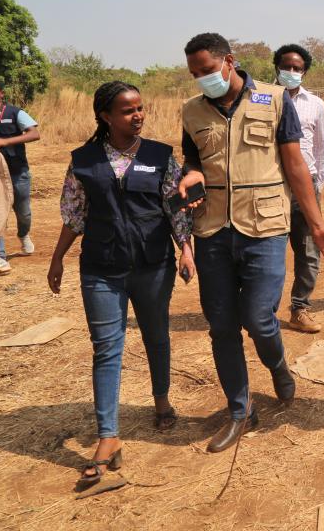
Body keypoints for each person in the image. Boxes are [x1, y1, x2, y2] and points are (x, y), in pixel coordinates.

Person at [177, 33, 324, 452]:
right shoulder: (191, 111)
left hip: (265, 227)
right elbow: (193, 158)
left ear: (229, 62)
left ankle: (278, 366)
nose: (202, 79)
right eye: (195, 74)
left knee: (259, 317)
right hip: (213, 230)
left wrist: (316, 223)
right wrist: (192, 173)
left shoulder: (274, 100)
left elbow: (295, 166)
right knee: (221, 327)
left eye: (207, 70)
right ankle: (240, 410)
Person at [46, 81, 195, 490]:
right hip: (101, 266)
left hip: (152, 265)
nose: (138, 115)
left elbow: (174, 207)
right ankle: (108, 436)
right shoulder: (83, 160)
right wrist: (57, 257)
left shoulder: (160, 156)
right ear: (105, 116)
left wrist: (186, 249)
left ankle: (161, 398)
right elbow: (74, 213)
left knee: (155, 334)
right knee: (106, 348)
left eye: (141, 108)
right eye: (128, 110)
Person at [273, 44, 324, 334]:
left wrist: (318, 183)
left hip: (306, 186)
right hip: (272, 186)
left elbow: (322, 148)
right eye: (287, 67)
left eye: (297, 68)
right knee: (271, 250)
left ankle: (300, 308)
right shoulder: (261, 100)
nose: (292, 73)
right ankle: (264, 310)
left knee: (308, 250)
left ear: (305, 71)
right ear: (276, 68)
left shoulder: (316, 104)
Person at [0, 79, 40, 272]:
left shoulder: (15, 113)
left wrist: (6, 142)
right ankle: (0, 256)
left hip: (17, 172)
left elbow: (34, 134)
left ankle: (23, 234)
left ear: (0, 94)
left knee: (23, 213)